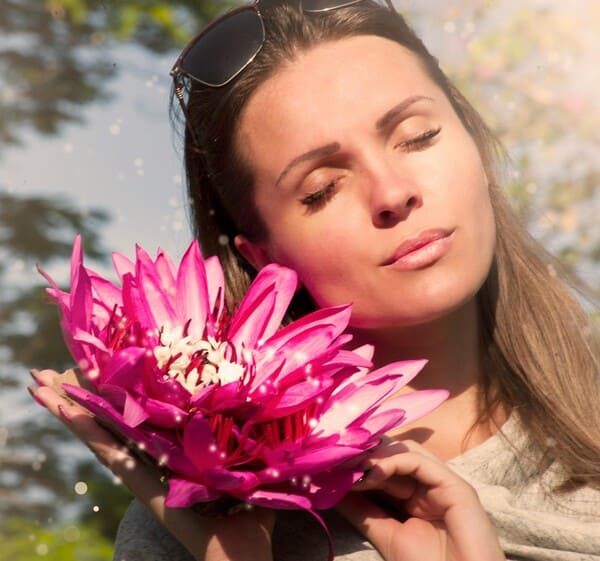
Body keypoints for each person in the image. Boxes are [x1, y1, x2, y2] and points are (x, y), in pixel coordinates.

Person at [30, 0, 600, 559]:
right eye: (322, 188)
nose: (393, 193)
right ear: (261, 257)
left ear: (474, 139)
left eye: (418, 136)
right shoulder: (190, 530)